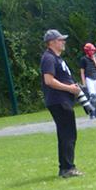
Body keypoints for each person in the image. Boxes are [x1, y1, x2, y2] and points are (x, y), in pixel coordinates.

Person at [39, 27, 83, 178]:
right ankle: (68, 168)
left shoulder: (56, 58)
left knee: (66, 134)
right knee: (68, 135)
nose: (63, 42)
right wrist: (69, 88)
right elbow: (49, 80)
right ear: (52, 42)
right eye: (60, 40)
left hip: (62, 100)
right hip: (59, 100)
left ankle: (65, 167)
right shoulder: (49, 58)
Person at [79, 42, 96, 118]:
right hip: (89, 78)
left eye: (93, 50)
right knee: (92, 96)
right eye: (90, 50)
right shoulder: (83, 59)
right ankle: (92, 113)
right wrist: (84, 83)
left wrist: (94, 60)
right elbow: (82, 72)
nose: (92, 52)